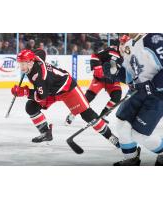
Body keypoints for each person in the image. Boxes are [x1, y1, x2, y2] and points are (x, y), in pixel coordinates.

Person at [11, 48, 120, 148]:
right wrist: (30, 54)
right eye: (20, 64)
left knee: (87, 114)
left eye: (22, 64)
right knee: (31, 106)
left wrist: (25, 91)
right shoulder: (35, 58)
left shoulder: (39, 77)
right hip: (50, 90)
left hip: (67, 89)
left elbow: (41, 97)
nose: (21, 67)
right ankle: (46, 133)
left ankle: (110, 136)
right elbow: (41, 52)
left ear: (30, 62)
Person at [104, 33, 163, 165]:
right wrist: (114, 73)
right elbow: (130, 75)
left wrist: (154, 85)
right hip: (138, 91)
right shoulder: (129, 45)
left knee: (139, 134)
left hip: (158, 95)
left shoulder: (155, 39)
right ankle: (131, 157)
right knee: (122, 123)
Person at [65, 42, 124, 125]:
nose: (124, 47)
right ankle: (72, 114)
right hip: (99, 79)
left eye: (126, 44)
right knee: (88, 98)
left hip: (112, 81)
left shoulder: (130, 55)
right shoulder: (111, 50)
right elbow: (95, 56)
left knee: (117, 96)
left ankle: (103, 116)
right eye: (122, 44)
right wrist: (97, 68)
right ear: (120, 44)